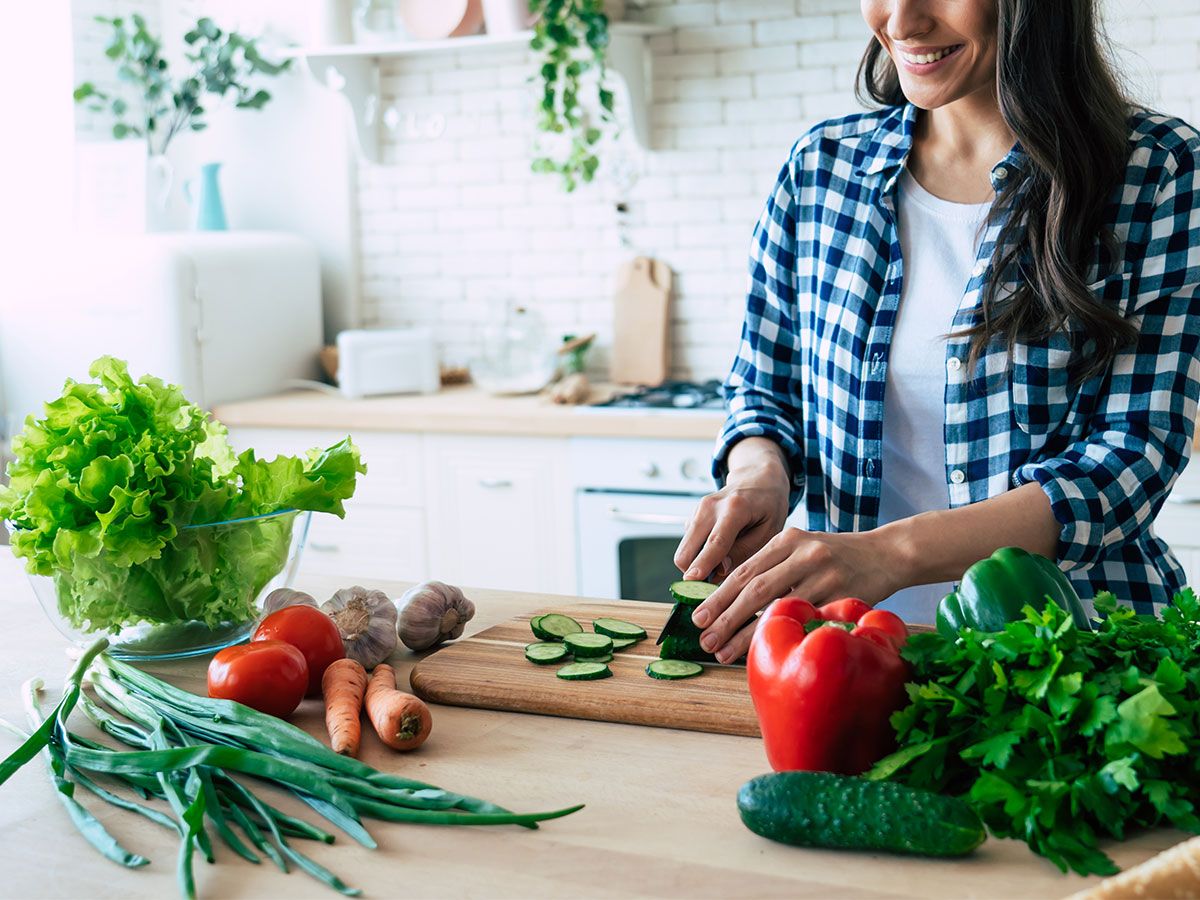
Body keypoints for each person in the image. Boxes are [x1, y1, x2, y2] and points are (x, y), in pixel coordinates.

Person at [674, 0, 1200, 665]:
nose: (901, 22)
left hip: (1079, 658)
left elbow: (1132, 456)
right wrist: (760, 474)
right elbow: (764, 388)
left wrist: (892, 554)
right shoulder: (821, 168)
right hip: (851, 657)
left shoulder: (1159, 174)